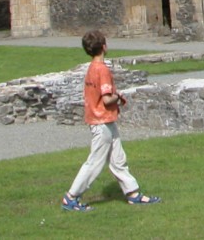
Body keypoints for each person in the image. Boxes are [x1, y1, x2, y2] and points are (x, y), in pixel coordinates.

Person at [60, 29, 160, 211]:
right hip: (101, 121)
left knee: (118, 159)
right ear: (104, 47)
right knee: (95, 162)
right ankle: (71, 197)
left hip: (104, 120)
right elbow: (106, 99)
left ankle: (133, 193)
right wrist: (119, 95)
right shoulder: (102, 69)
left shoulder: (91, 67)